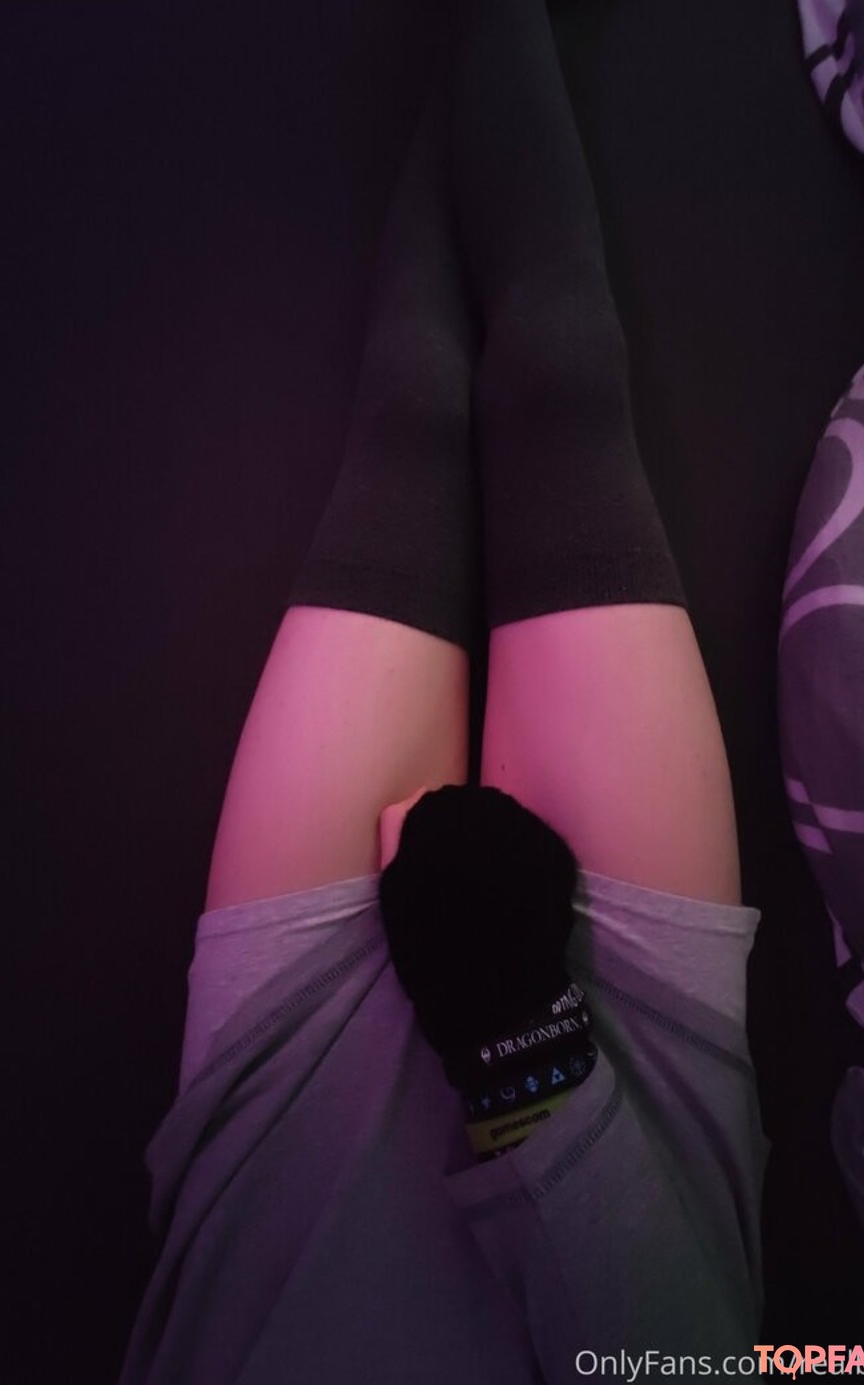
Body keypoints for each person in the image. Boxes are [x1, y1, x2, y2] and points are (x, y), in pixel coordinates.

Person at [119, 3, 767, 1381]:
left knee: (414, 413)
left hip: (287, 1196)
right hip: (619, 1148)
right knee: (559, 379)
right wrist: (527, 1062)